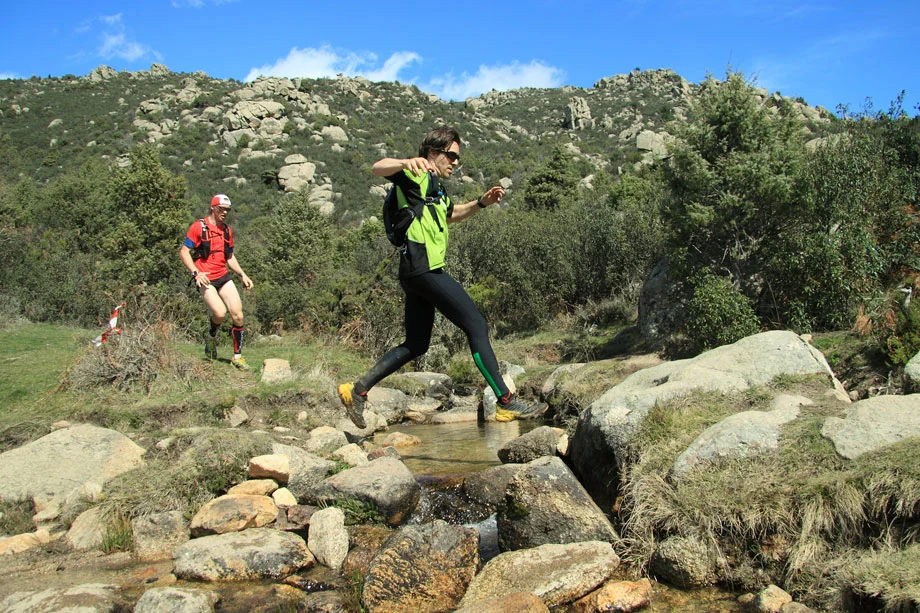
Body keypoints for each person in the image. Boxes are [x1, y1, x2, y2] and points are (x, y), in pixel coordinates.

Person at [338, 126, 530, 428]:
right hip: (424, 268)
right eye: (451, 155)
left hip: (414, 273)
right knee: (477, 325)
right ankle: (505, 402)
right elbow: (378, 168)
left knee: (416, 344)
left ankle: (357, 390)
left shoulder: (435, 189)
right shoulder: (416, 175)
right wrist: (405, 162)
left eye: (457, 158)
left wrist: (481, 203)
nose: (455, 162)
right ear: (433, 152)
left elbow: (452, 214)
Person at [179, 194, 253, 370]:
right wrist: (196, 273)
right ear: (213, 208)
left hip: (223, 275)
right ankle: (211, 338)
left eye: (227, 210)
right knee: (220, 313)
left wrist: (243, 274)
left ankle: (238, 357)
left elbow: (230, 257)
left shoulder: (227, 230)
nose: (225, 213)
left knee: (238, 315)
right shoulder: (199, 227)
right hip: (205, 278)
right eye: (222, 209)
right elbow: (183, 252)